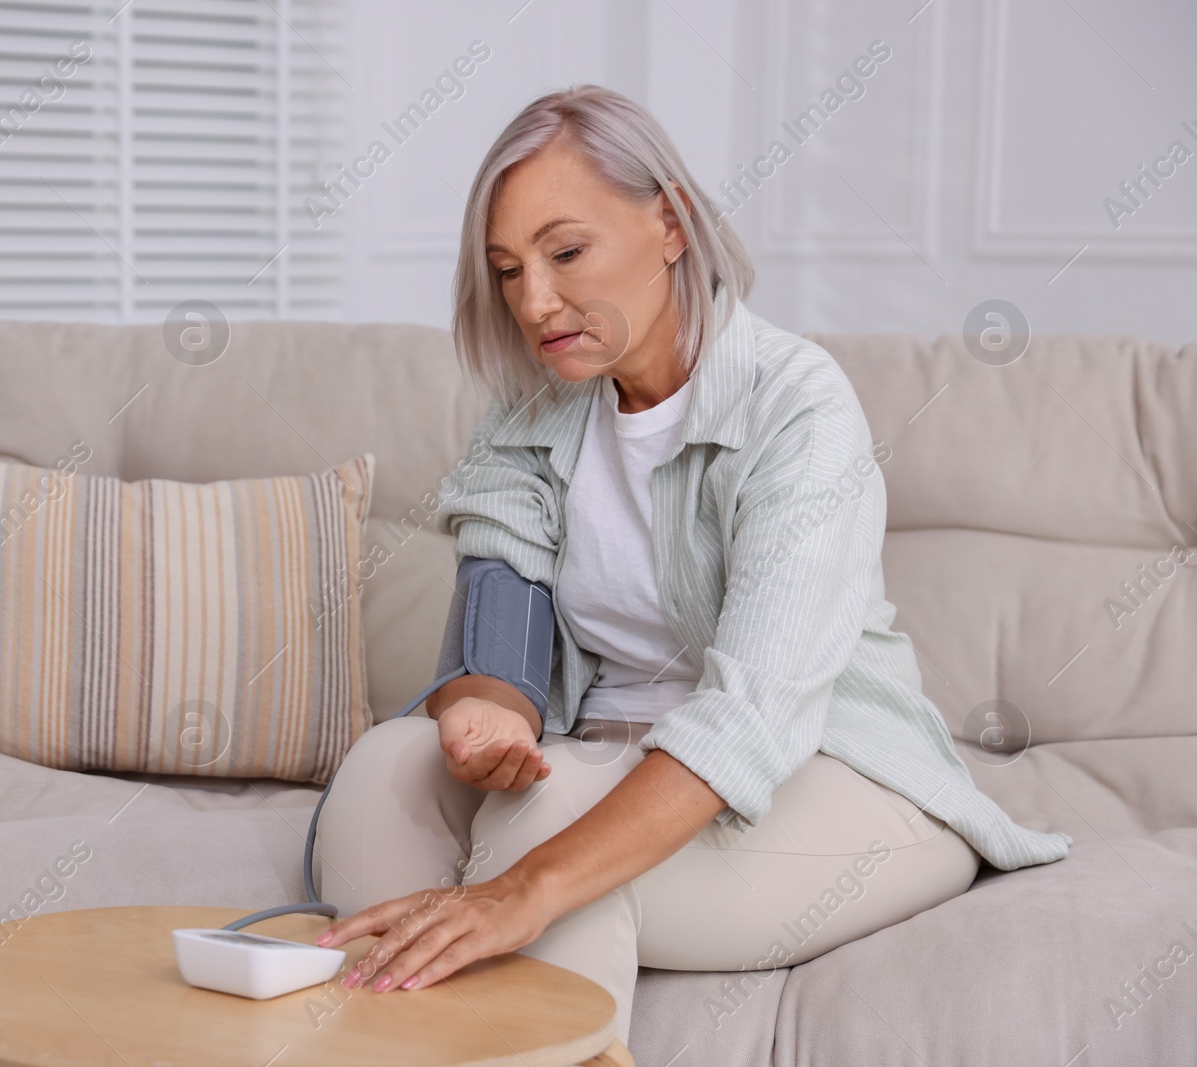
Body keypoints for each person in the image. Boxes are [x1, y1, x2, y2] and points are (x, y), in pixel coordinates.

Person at [309, 84, 1071, 1046]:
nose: (534, 302)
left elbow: (749, 721)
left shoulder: (796, 408)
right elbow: (496, 634)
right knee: (384, 774)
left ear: (668, 222)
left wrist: (523, 892)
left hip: (827, 775)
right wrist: (482, 714)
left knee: (546, 845)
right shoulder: (530, 415)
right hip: (603, 756)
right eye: (508, 270)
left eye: (567, 252)